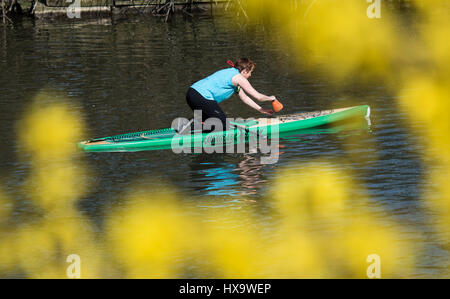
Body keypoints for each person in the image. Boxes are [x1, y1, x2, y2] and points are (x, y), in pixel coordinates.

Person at [185, 58, 277, 132]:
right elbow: (258, 97)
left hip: (191, 93)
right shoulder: (238, 78)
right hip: (201, 97)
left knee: (211, 120)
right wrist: (271, 98)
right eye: (250, 72)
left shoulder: (231, 73)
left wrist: (261, 110)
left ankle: (193, 125)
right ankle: (193, 125)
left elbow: (244, 98)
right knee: (223, 125)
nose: (250, 75)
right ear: (245, 71)